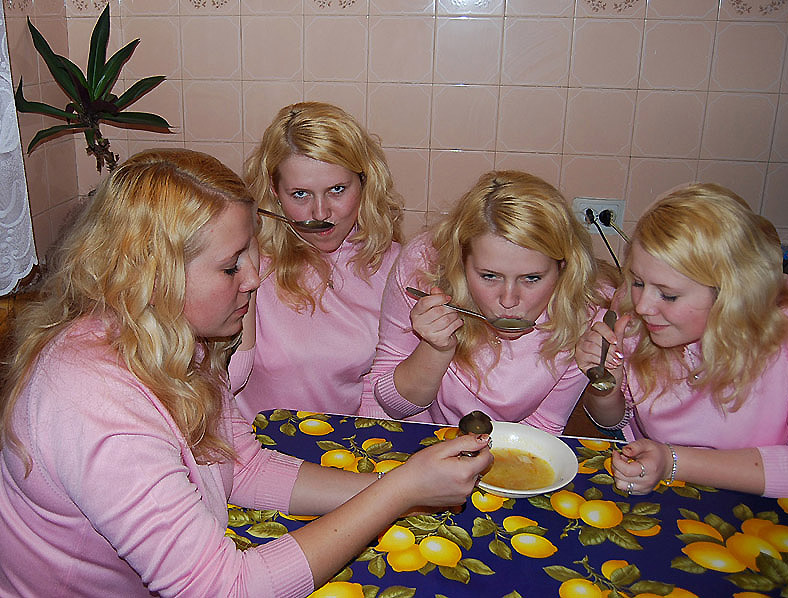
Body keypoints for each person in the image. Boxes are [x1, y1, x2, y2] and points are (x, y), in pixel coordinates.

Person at [0, 149, 492, 597]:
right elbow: (224, 589)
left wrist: (404, 489)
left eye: (249, 252)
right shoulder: (96, 402)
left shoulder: (173, 339)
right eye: (231, 266)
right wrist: (398, 491)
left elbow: (243, 466)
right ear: (153, 275)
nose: (255, 278)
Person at [576, 183, 788, 498]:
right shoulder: (632, 312)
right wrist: (606, 388)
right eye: (638, 282)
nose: (643, 306)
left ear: (731, 294)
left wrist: (672, 461)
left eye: (669, 295)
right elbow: (615, 421)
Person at [359, 170, 615, 432]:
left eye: (531, 278)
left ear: (563, 268)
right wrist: (436, 349)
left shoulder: (588, 309)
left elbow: (545, 426)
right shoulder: (424, 267)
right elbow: (392, 407)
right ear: (461, 262)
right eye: (489, 276)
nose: (508, 300)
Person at [230, 102, 403, 423]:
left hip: (350, 445)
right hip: (252, 446)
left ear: (365, 182)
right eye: (300, 194)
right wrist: (245, 253)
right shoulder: (246, 262)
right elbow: (225, 382)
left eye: (337, 190)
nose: (321, 213)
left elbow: (385, 395)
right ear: (274, 191)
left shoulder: (396, 267)